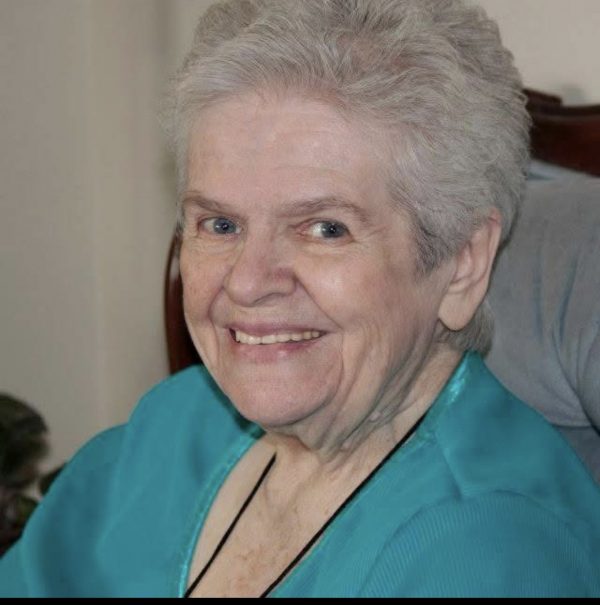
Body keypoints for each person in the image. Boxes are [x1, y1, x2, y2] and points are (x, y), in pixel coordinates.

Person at [1, 0, 600, 597]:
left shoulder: (487, 553)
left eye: (325, 229)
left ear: (462, 263)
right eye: (220, 224)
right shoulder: (178, 425)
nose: (247, 282)